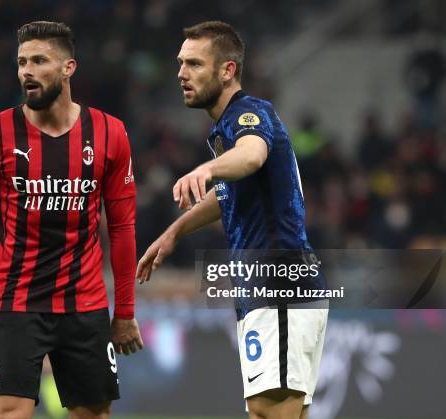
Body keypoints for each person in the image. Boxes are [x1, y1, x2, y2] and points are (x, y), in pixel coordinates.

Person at [0, 21, 143, 419]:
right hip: (17, 299)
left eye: (39, 61)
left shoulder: (111, 134)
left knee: (93, 413)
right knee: (6, 411)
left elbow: (122, 227)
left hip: (85, 301)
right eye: (22, 62)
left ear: (68, 67)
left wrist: (124, 311)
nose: (27, 71)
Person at [136, 21, 327, 419]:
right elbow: (226, 195)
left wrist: (207, 169)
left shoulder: (249, 114)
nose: (181, 73)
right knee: (277, 412)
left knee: (267, 411)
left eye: (194, 64)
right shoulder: (224, 130)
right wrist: (175, 230)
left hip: (279, 280)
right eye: (180, 63)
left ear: (227, 71)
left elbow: (252, 155)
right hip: (267, 284)